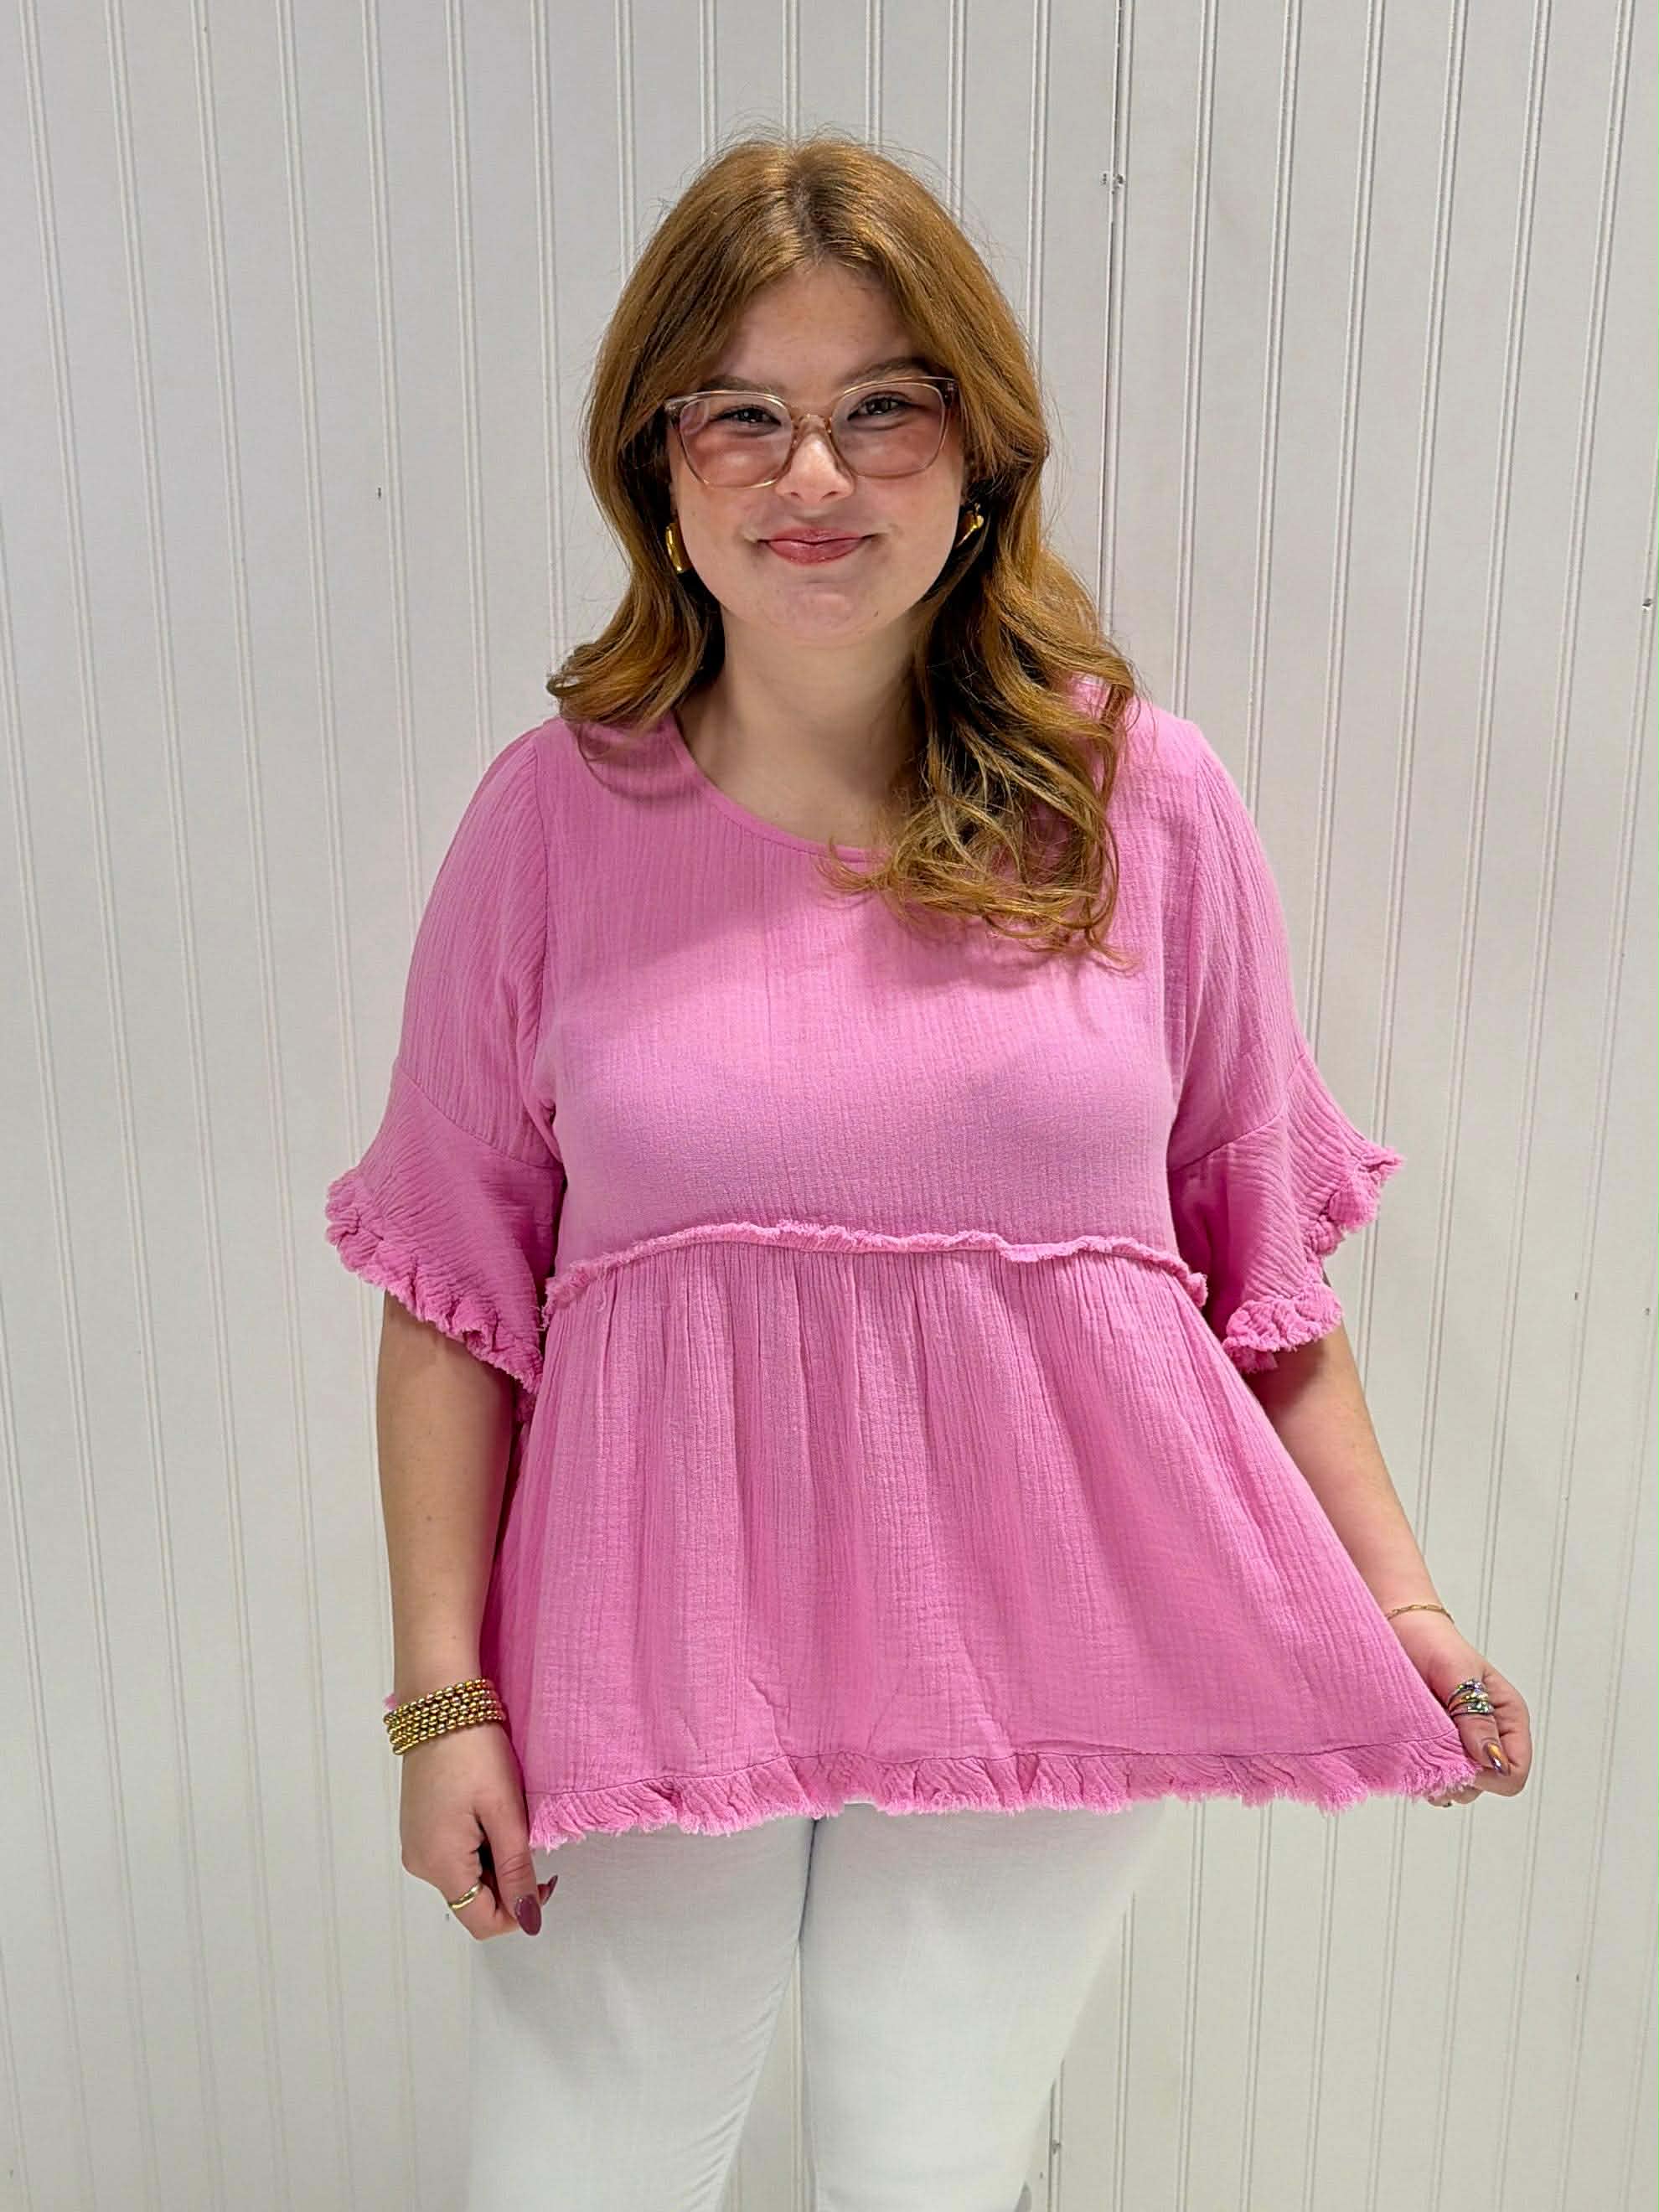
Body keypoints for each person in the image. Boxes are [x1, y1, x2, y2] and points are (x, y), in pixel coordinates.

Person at [324, 130, 1532, 2212]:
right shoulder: (547, 823)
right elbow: (450, 1295)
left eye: (883, 406)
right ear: (660, 468)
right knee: (576, 2180)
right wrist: (446, 1705)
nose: (815, 474)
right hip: (644, 1653)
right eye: (743, 415)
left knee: (929, 2177)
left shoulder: (1143, 802)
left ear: (979, 454)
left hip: (1039, 1648)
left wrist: (1402, 1606)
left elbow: (1259, 1283)